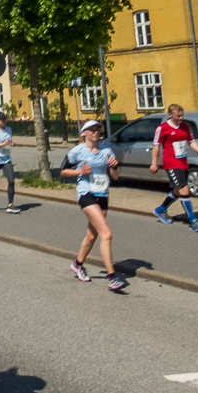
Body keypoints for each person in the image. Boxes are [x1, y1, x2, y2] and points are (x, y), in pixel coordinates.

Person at [60, 120, 127, 292]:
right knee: (106, 233)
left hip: (103, 194)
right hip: (86, 194)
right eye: (92, 130)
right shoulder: (77, 151)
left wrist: (114, 167)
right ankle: (111, 276)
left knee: (92, 235)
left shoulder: (106, 151)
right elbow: (63, 171)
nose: (96, 132)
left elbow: (115, 177)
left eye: (98, 129)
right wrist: (79, 172)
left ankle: (77, 264)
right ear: (84, 133)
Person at [151, 103, 198, 232]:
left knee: (178, 190)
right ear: (170, 115)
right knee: (185, 190)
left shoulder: (185, 127)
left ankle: (161, 209)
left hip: (182, 162)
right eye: (178, 116)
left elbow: (192, 142)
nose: (181, 118)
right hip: (171, 163)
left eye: (182, 115)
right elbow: (156, 146)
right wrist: (154, 163)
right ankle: (193, 221)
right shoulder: (162, 128)